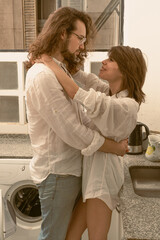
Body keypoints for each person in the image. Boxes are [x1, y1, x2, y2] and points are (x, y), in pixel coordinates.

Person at [25, 7, 128, 240]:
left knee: (67, 236)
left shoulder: (62, 70)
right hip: (57, 173)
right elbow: (73, 132)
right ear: (62, 33)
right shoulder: (42, 76)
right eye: (80, 38)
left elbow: (95, 89)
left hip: (69, 171)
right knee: (54, 237)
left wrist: (125, 82)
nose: (82, 45)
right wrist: (114, 147)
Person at [37, 45, 147, 240]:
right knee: (71, 236)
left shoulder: (125, 104)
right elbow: (84, 79)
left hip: (103, 176)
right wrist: (64, 57)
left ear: (125, 68)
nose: (104, 62)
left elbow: (76, 92)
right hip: (94, 173)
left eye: (111, 60)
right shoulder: (111, 94)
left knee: (97, 237)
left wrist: (49, 62)